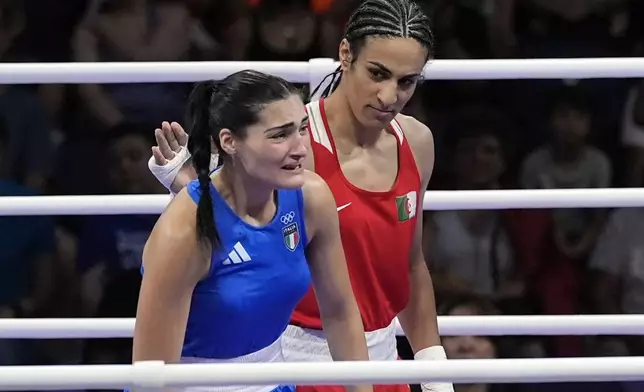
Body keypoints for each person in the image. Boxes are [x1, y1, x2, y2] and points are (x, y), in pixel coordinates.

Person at [148, 1, 453, 392]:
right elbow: (235, 226)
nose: (388, 95)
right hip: (296, 356)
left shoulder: (417, 142)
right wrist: (187, 184)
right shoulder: (291, 145)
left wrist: (432, 368)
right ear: (345, 54)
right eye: (377, 74)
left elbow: (410, 263)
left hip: (380, 357)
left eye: (406, 82)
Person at [134, 70, 371, 392]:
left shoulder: (311, 198)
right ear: (230, 142)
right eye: (279, 135)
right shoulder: (183, 232)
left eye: (302, 129)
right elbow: (153, 377)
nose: (300, 147)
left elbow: (341, 312)